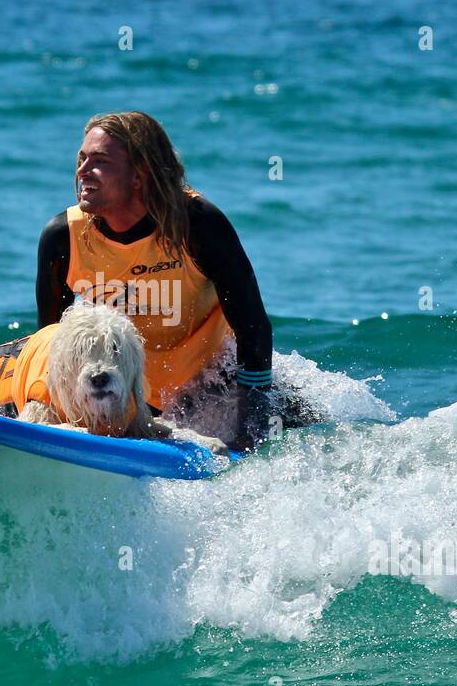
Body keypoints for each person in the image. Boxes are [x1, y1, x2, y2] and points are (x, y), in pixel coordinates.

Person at [35, 111, 280, 451]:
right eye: (81, 159)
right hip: (124, 396)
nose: (82, 171)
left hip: (210, 386)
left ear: (139, 174)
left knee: (296, 424)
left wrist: (251, 434)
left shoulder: (197, 226)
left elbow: (253, 329)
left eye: (100, 161)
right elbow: (50, 344)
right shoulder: (63, 237)